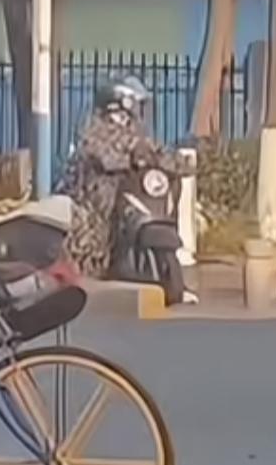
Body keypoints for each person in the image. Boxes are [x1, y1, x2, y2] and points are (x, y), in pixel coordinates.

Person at [57, 75, 197, 302]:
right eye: (136, 107)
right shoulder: (94, 131)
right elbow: (104, 157)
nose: (139, 114)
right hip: (94, 204)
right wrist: (131, 159)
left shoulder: (135, 134)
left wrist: (181, 164)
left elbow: (157, 152)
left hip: (125, 196)